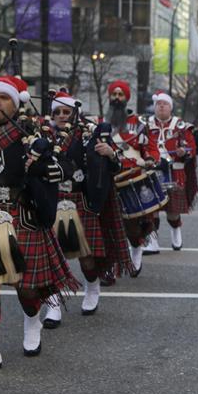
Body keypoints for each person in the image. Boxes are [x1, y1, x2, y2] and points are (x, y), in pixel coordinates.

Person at [0, 76, 79, 375]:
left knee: (28, 290)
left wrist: (47, 166)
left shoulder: (36, 132)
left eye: (4, 97)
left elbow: (66, 165)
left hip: (23, 214)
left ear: (16, 101)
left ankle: (32, 322)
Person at [41, 91, 134, 327]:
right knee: (50, 258)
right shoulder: (43, 134)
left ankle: (92, 287)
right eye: (57, 112)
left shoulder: (90, 133)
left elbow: (117, 163)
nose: (62, 116)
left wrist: (110, 153)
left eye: (66, 111)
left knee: (86, 259)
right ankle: (53, 305)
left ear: (75, 112)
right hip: (50, 200)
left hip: (80, 200)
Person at [102, 79, 156, 273]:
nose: (116, 98)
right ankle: (110, 265)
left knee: (131, 226)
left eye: (120, 95)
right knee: (107, 226)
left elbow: (150, 148)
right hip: (108, 180)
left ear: (126, 98)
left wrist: (149, 159)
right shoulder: (101, 123)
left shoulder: (139, 124)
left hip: (132, 177)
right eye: (114, 94)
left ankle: (136, 246)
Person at [145, 91, 198, 251]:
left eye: (165, 104)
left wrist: (185, 152)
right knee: (152, 209)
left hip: (175, 173)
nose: (161, 106)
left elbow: (192, 147)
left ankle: (176, 230)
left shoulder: (180, 126)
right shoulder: (146, 125)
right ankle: (152, 242)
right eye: (158, 104)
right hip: (152, 172)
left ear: (170, 108)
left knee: (172, 211)